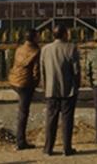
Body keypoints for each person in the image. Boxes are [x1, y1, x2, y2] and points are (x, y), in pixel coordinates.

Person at [40, 23, 81, 156]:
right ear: (64, 34)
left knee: (51, 120)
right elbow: (76, 70)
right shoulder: (71, 48)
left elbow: (42, 70)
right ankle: (66, 148)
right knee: (67, 120)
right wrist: (77, 85)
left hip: (51, 90)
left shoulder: (45, 49)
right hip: (68, 90)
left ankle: (48, 148)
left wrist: (45, 87)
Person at [8, 28, 41, 150]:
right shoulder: (35, 51)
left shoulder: (19, 48)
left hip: (14, 80)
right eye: (37, 36)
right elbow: (36, 71)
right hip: (25, 83)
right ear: (34, 38)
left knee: (22, 111)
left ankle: (20, 139)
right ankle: (20, 141)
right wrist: (35, 84)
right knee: (23, 112)